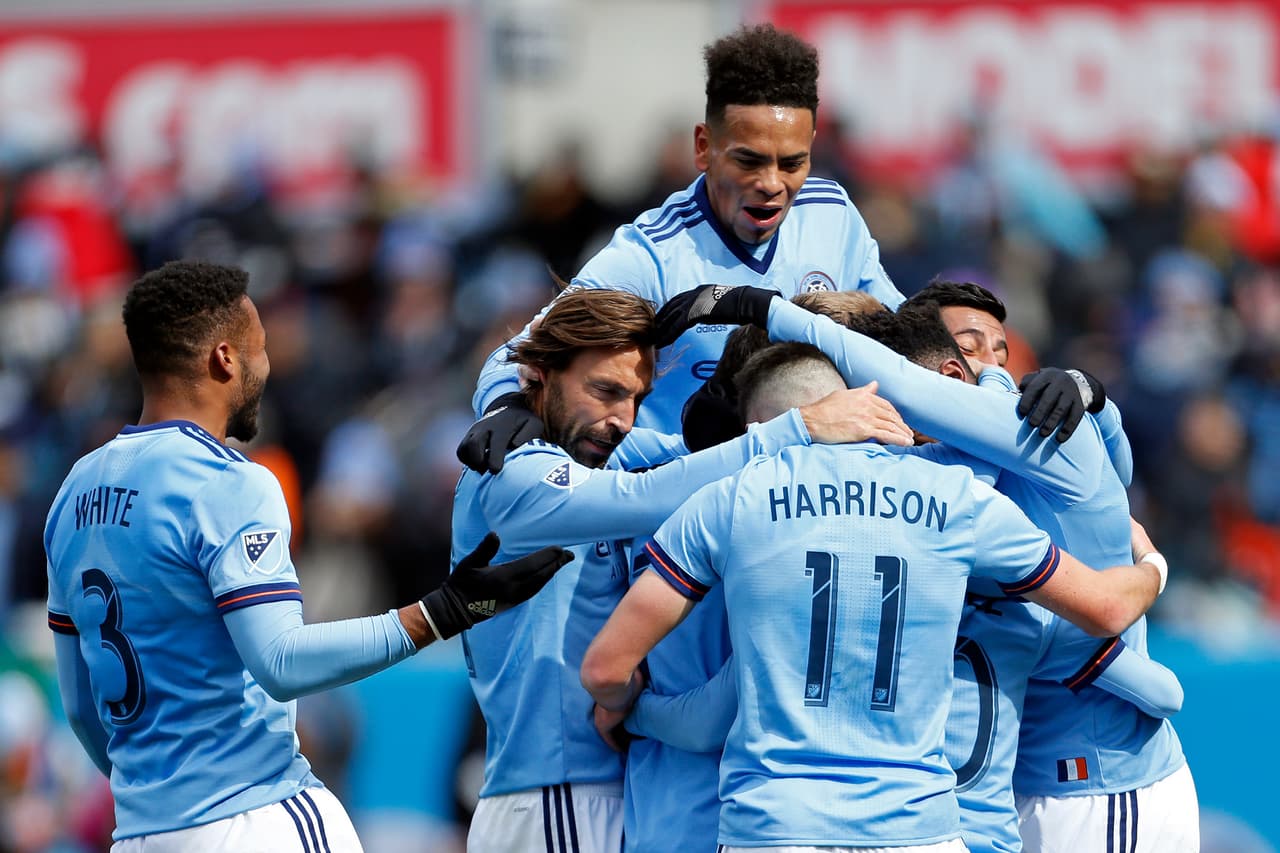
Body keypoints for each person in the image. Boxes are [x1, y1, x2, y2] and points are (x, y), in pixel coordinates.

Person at [43, 260, 574, 852]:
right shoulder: (227, 481)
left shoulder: (71, 494)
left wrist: (159, 799)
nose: (266, 367)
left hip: (141, 834)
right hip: (253, 817)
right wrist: (440, 612)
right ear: (225, 359)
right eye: (260, 349)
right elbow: (281, 661)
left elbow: (81, 707)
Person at [658, 284, 1199, 851]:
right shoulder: (945, 497)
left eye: (999, 351)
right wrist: (1148, 572)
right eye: (971, 347)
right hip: (965, 819)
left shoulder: (1026, 440)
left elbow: (1115, 492)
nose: (990, 363)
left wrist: (1097, 401)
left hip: (1093, 782)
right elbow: (1129, 651)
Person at [451, 287, 911, 853]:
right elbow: (645, 494)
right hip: (554, 792)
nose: (620, 419)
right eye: (605, 391)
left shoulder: (604, 447)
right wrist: (799, 428)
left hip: (602, 786)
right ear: (540, 375)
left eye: (636, 398)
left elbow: (693, 457)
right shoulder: (508, 473)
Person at [458, 22, 907, 474]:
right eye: (748, 161)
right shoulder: (650, 254)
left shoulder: (833, 215)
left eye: (792, 163)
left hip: (812, 493)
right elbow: (520, 352)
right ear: (704, 147)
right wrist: (507, 405)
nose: (772, 184)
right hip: (681, 505)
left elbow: (901, 337)